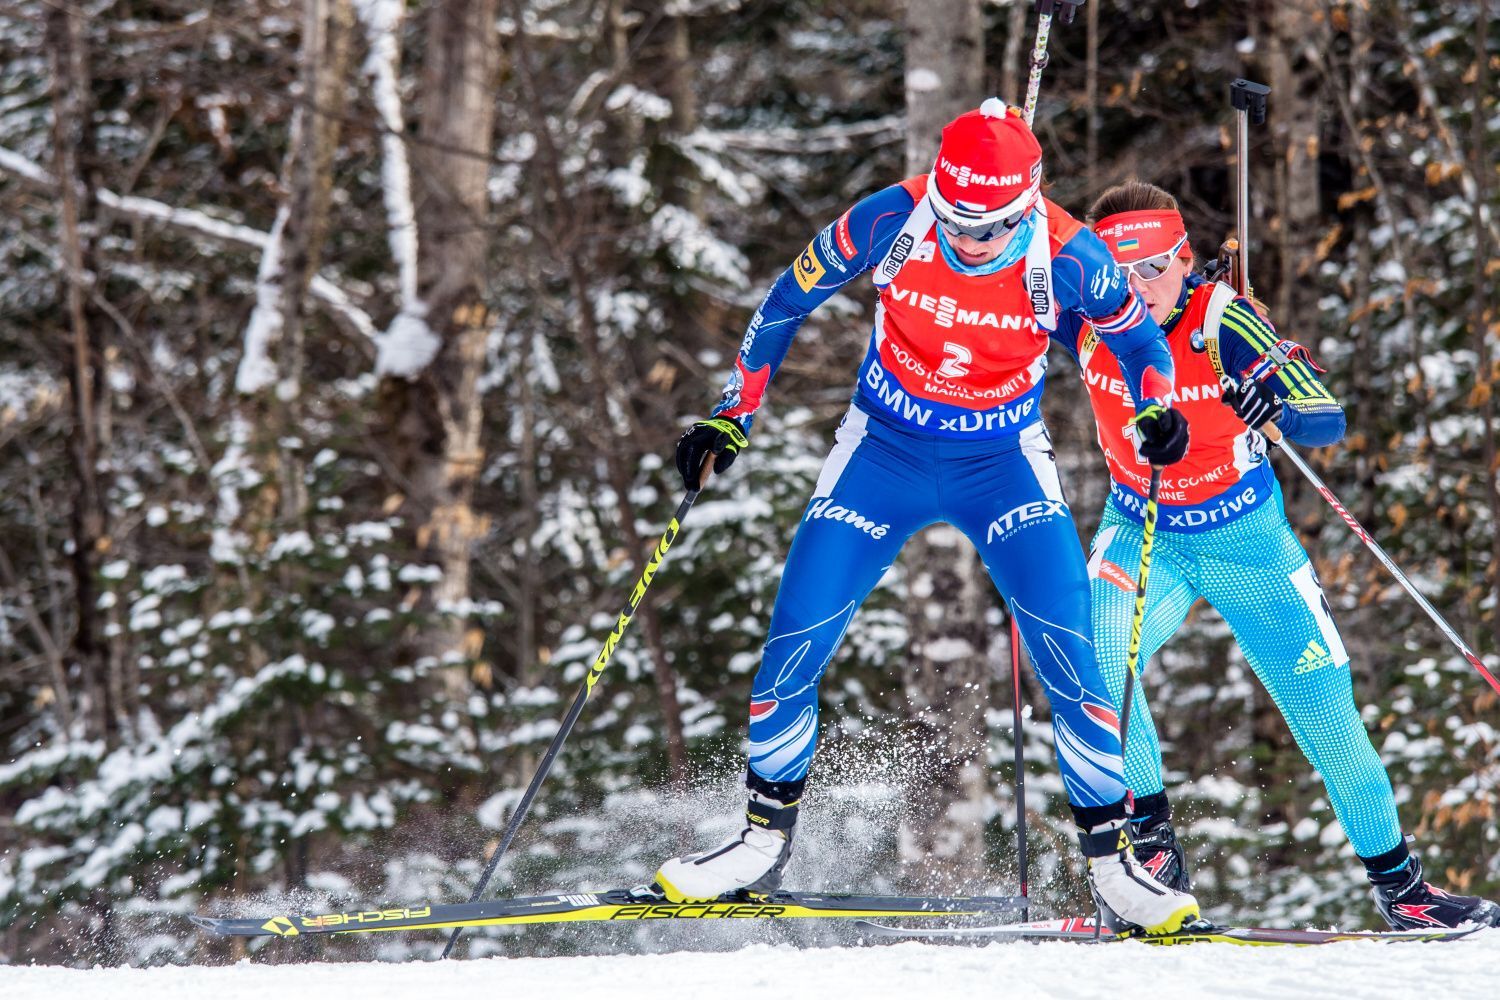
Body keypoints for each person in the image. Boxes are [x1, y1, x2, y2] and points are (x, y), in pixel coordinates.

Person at [654, 100, 1199, 936]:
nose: (972, 241)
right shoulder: (890, 218)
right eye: (958, 221)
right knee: (796, 633)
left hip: (1003, 463)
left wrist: (1157, 408)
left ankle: (1114, 869)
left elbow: (1141, 346)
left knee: (1072, 653)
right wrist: (732, 413)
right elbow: (785, 301)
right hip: (883, 452)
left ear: (1026, 206)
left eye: (994, 227)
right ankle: (761, 842)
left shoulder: (1071, 254)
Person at [1055, 178, 1500, 930]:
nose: (1139, 288)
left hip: (1249, 544)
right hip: (1144, 532)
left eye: (1154, 268)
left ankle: (1405, 893)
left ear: (1184, 258)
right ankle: (1152, 851)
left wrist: (1278, 408)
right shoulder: (1087, 318)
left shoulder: (1223, 320)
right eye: (1120, 273)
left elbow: (1326, 417)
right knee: (1093, 658)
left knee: (1327, 716)